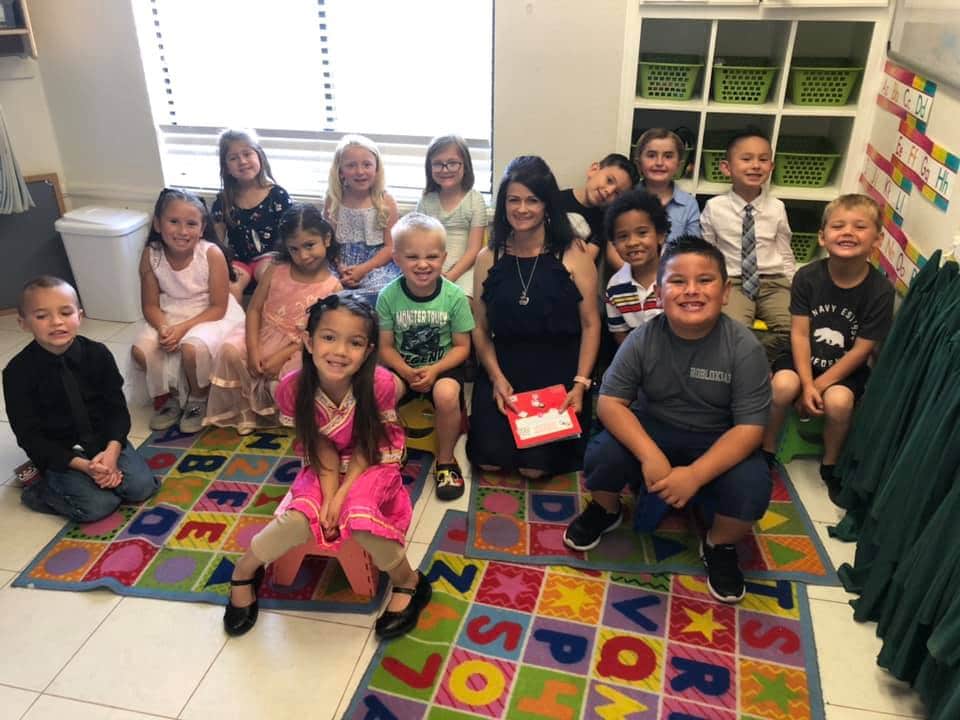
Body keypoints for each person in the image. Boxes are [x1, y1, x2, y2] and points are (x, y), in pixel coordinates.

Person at [563, 236, 772, 604]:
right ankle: (606, 510)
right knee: (601, 452)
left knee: (753, 483)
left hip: (716, 437)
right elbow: (610, 403)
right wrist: (649, 454)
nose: (691, 291)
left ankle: (719, 544)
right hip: (654, 428)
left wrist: (695, 474)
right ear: (659, 293)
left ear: (725, 292)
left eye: (705, 280)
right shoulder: (642, 339)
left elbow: (750, 428)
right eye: (678, 281)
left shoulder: (744, 347)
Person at [223, 293, 431, 639]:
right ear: (308, 340)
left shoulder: (380, 384)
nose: (339, 351)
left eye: (354, 342)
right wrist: (328, 496)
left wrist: (341, 498)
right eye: (329, 337)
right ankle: (244, 572)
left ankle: (410, 582)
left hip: (373, 461)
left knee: (359, 517)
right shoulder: (291, 388)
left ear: (367, 351)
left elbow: (369, 445)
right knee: (301, 515)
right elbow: (320, 447)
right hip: (323, 463)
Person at [467, 156, 600, 478]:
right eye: (514, 200)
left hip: (558, 371)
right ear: (503, 205)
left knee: (533, 469)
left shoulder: (574, 253)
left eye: (532, 200)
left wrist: (580, 384)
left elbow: (591, 324)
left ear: (546, 205)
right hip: (505, 368)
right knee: (488, 462)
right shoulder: (489, 257)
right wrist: (496, 378)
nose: (522, 209)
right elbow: (480, 328)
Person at [761, 194, 894, 503]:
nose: (848, 232)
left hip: (845, 368)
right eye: (838, 225)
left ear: (877, 239)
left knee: (839, 403)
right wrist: (806, 384)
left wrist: (819, 386)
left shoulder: (880, 291)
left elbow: (861, 351)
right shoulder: (808, 277)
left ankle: (830, 464)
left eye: (860, 226)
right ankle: (765, 450)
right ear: (822, 236)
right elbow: (800, 333)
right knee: (782, 386)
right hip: (802, 358)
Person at [4, 276, 159, 521]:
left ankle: (101, 467)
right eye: (42, 316)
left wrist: (111, 451)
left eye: (65, 312)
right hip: (61, 453)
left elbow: (117, 410)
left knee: (142, 488)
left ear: (80, 315)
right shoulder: (17, 373)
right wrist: (84, 466)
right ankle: (37, 490)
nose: (56, 322)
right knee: (98, 506)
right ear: (23, 323)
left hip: (103, 442)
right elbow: (29, 435)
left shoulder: (98, 354)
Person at [205, 204, 343, 433]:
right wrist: (254, 349)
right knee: (229, 350)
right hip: (263, 331)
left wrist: (280, 356)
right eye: (294, 249)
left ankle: (280, 410)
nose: (303, 256)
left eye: (309, 245)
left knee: (293, 376)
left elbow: (319, 334)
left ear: (326, 239)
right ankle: (244, 411)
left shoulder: (333, 287)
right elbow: (255, 309)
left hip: (298, 345)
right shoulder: (276, 269)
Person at [376, 213, 474, 500]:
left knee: (445, 395)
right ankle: (392, 446)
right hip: (402, 366)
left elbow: (462, 348)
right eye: (412, 256)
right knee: (379, 389)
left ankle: (445, 459)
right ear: (396, 258)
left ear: (443, 258)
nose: (422, 264)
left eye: (432, 256)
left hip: (443, 366)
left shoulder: (454, 297)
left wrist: (434, 370)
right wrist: (405, 372)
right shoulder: (388, 296)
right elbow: (385, 347)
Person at [132, 189, 246, 433]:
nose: (182, 231)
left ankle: (197, 397)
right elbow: (150, 305)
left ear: (202, 228)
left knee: (191, 348)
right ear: (158, 224)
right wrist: (164, 327)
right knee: (142, 351)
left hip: (211, 313)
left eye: (191, 224)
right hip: (170, 312)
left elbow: (218, 306)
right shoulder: (151, 254)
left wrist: (182, 329)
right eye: (174, 222)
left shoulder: (210, 254)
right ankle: (173, 397)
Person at [701, 128, 794, 362]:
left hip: (773, 281)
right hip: (733, 282)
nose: (755, 165)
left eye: (763, 160)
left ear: (771, 167)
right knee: (731, 330)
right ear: (726, 167)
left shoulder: (777, 208)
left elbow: (785, 250)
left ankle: (755, 361)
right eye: (746, 159)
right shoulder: (715, 207)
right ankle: (742, 362)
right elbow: (708, 251)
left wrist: (793, 285)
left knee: (793, 328)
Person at [211, 129, 292, 300]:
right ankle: (238, 326)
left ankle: (267, 323)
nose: (242, 161)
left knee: (268, 279)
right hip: (239, 260)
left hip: (270, 257)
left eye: (247, 154)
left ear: (259, 156)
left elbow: (291, 233)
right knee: (232, 287)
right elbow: (216, 239)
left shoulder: (277, 195)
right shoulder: (224, 200)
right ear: (226, 167)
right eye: (233, 158)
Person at [324, 134, 400, 307]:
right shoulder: (333, 199)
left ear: (377, 168)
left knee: (382, 290)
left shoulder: (385, 201)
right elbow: (327, 241)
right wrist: (341, 267)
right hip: (339, 261)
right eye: (351, 165)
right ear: (340, 171)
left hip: (375, 263)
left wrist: (363, 270)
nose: (360, 171)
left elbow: (391, 247)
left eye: (367, 165)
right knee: (324, 288)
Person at [416, 134, 488, 299]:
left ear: (465, 165)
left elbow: (474, 250)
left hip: (465, 270)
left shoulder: (474, 200)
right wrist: (432, 271)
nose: (445, 169)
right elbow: (418, 243)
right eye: (438, 164)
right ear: (429, 167)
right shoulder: (426, 202)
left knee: (461, 303)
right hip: (429, 268)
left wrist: (450, 276)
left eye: (452, 163)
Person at [604, 190, 669, 344]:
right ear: (614, 245)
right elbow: (621, 336)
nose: (632, 242)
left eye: (642, 233)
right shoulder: (615, 288)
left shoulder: (678, 277)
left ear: (660, 235)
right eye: (623, 236)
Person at [554, 154, 639, 264]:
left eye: (617, 193)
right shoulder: (554, 201)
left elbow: (586, 261)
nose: (609, 191)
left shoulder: (604, 222)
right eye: (609, 180)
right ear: (594, 169)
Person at [630, 128, 701, 249]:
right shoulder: (627, 198)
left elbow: (693, 250)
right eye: (651, 155)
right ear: (638, 163)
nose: (659, 162)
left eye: (668, 156)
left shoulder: (689, 204)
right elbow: (614, 248)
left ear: (679, 164)